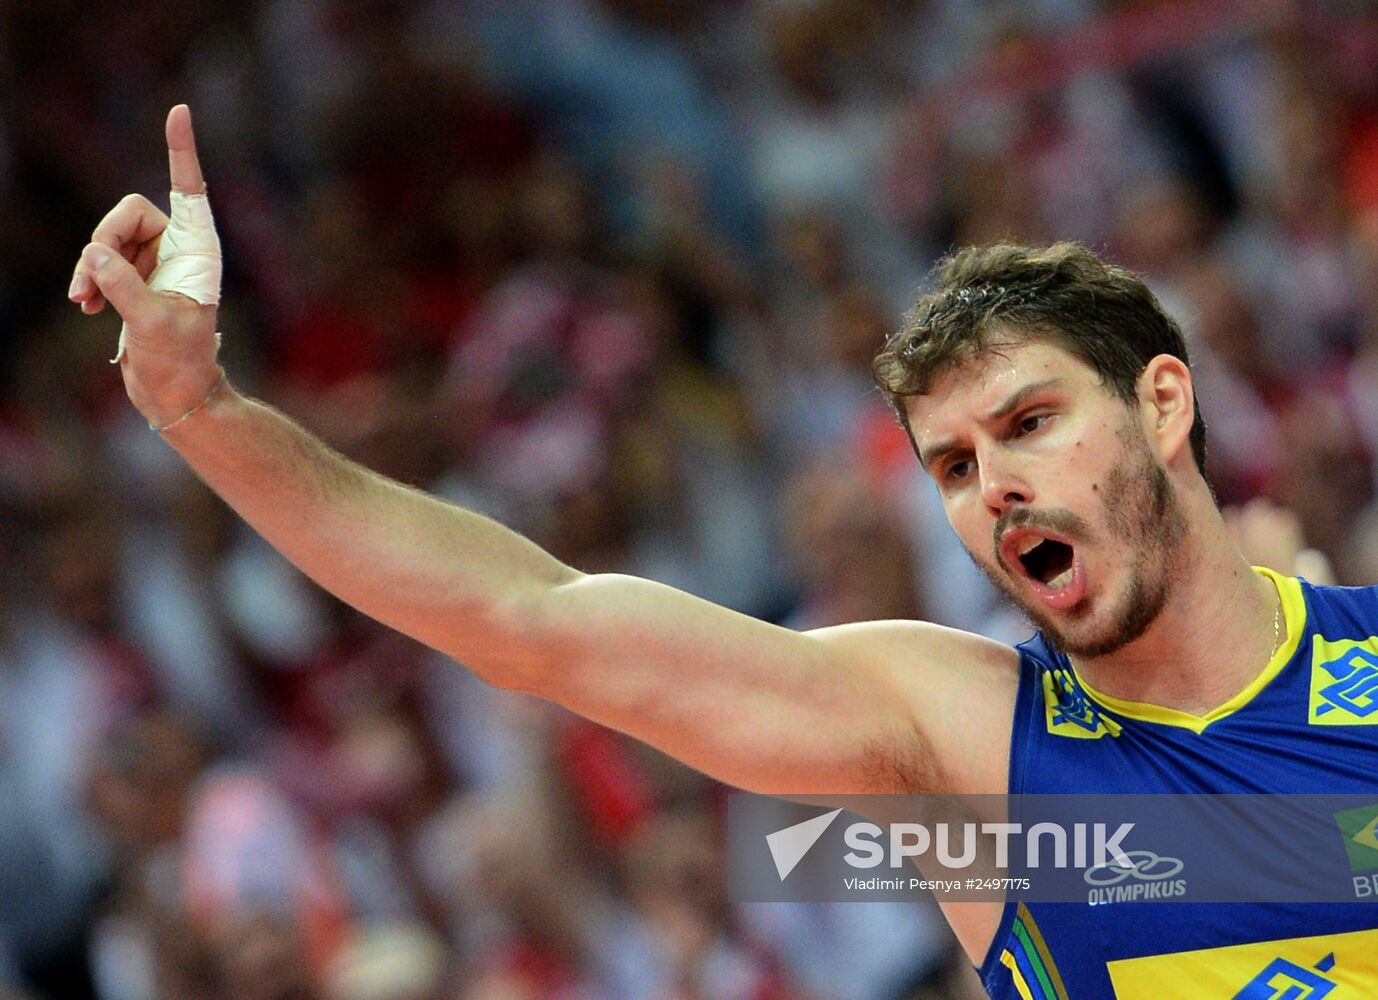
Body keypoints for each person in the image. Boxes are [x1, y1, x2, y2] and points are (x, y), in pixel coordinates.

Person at [69, 106, 1377, 998]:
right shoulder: (962, 735)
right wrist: (204, 414)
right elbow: (530, 618)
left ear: (1159, 403)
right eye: (955, 465)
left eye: (1030, 422)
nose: (996, 488)